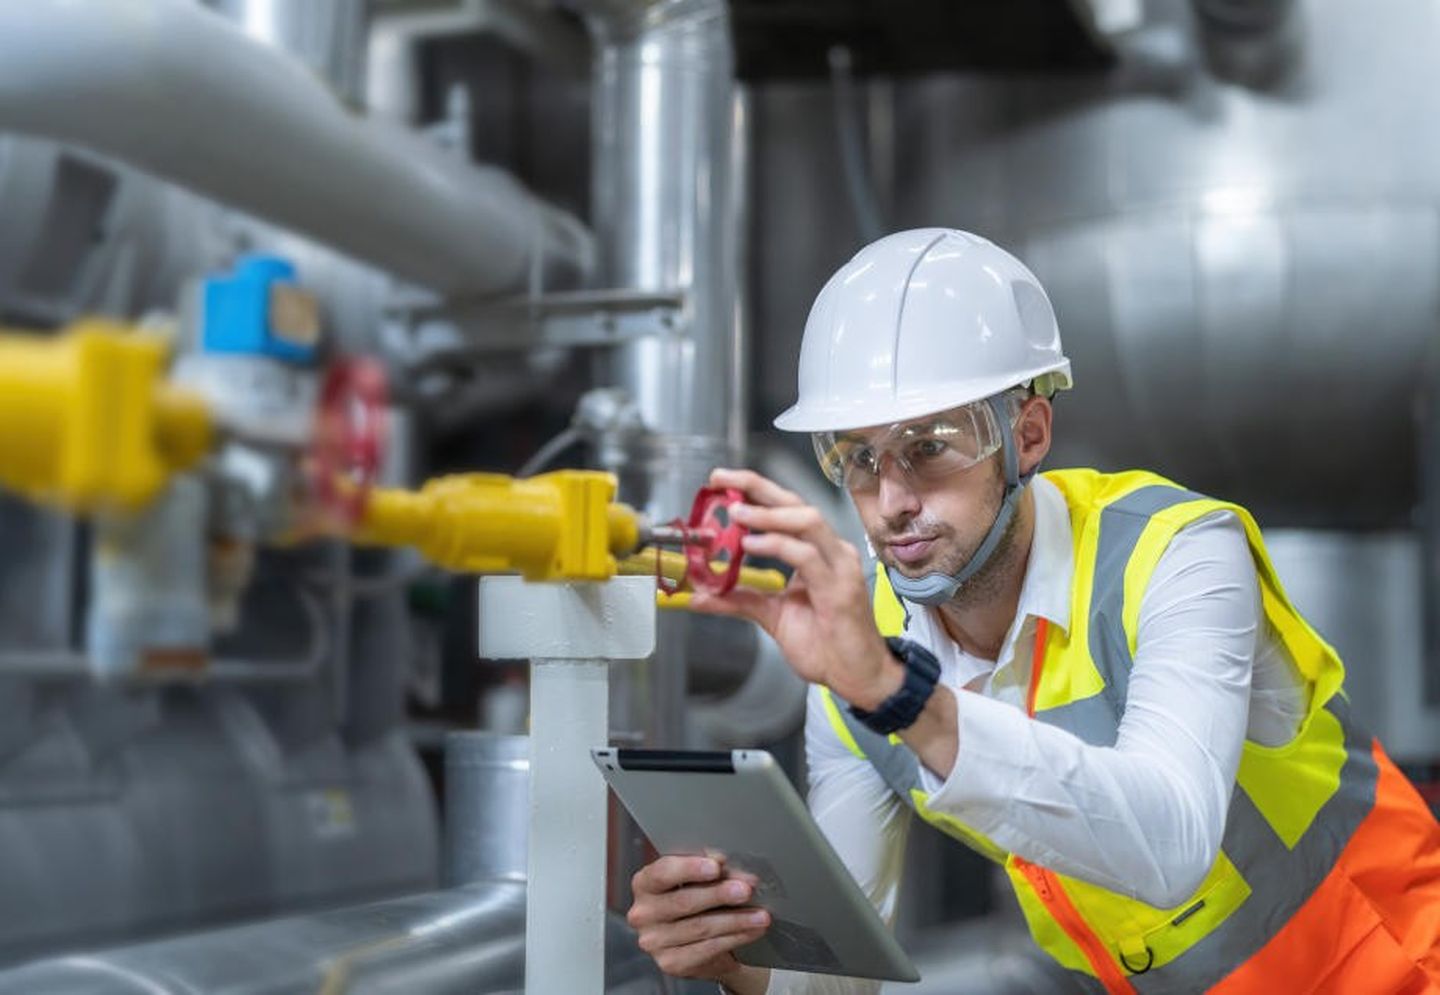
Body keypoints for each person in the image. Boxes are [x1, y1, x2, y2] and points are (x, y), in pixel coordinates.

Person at [624, 228, 1440, 994]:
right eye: (858, 458)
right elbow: (837, 973)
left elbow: (1170, 844)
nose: (891, 502)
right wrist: (742, 957)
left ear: (1030, 433)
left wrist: (900, 697)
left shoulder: (1177, 554)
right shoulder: (859, 648)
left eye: (929, 446)